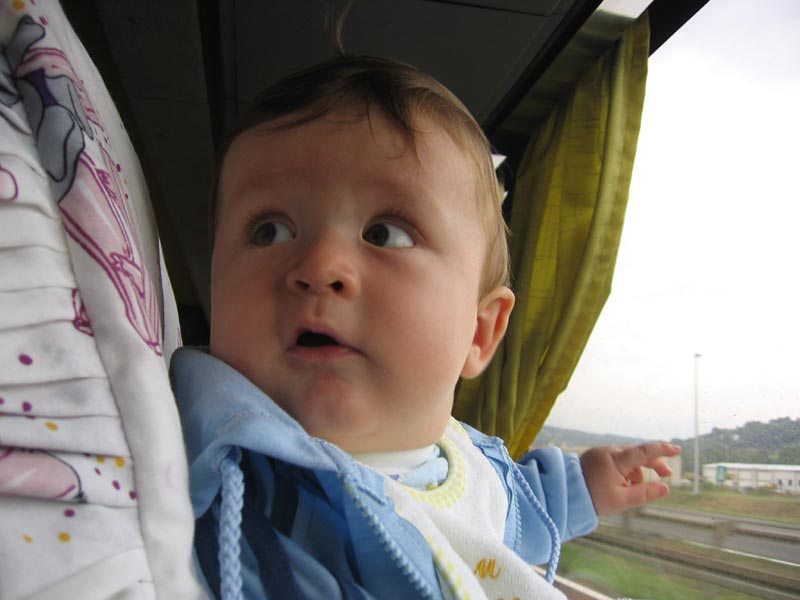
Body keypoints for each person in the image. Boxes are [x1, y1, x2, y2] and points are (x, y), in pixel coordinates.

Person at [171, 55, 680, 600]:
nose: (319, 266)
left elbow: (510, 513)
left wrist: (584, 488)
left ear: (479, 333)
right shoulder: (229, 486)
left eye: (385, 234)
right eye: (269, 231)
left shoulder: (468, 464)